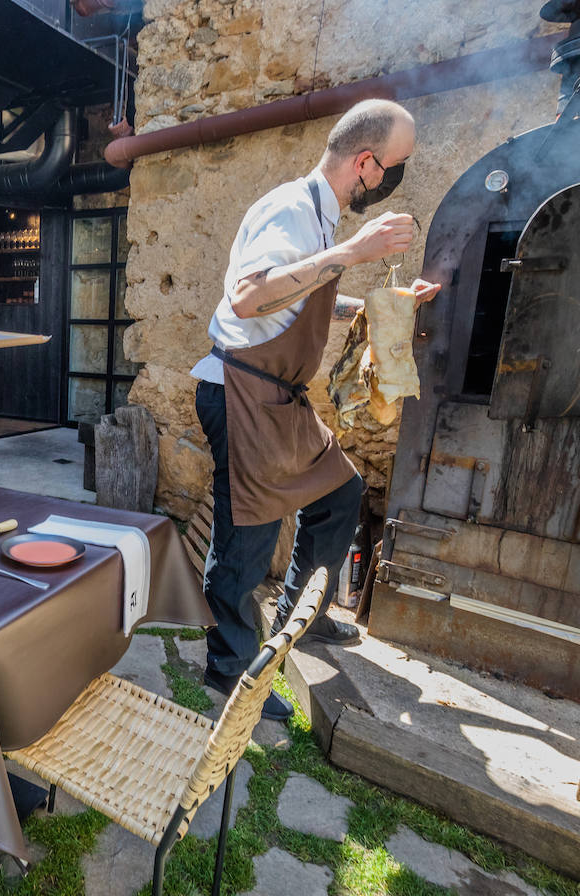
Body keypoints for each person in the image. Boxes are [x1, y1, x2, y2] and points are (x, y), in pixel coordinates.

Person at [190, 99, 442, 721]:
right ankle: (229, 669)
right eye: (393, 167)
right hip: (243, 393)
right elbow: (249, 298)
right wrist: (354, 252)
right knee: (246, 541)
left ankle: (301, 612)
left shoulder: (321, 217)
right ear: (366, 162)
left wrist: (384, 304)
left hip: (279, 398)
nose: (391, 179)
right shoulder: (291, 210)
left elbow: (302, 293)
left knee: (339, 493)